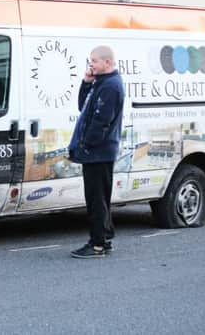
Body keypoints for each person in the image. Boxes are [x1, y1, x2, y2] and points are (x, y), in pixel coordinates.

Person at [68, 46, 124, 258]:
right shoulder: (101, 82)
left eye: (94, 61)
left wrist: (87, 144)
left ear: (107, 62)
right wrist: (86, 82)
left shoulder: (111, 86)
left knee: (96, 198)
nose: (90, 64)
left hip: (99, 152)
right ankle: (105, 236)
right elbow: (83, 106)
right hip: (98, 151)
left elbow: (101, 121)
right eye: (90, 60)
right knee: (99, 197)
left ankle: (97, 244)